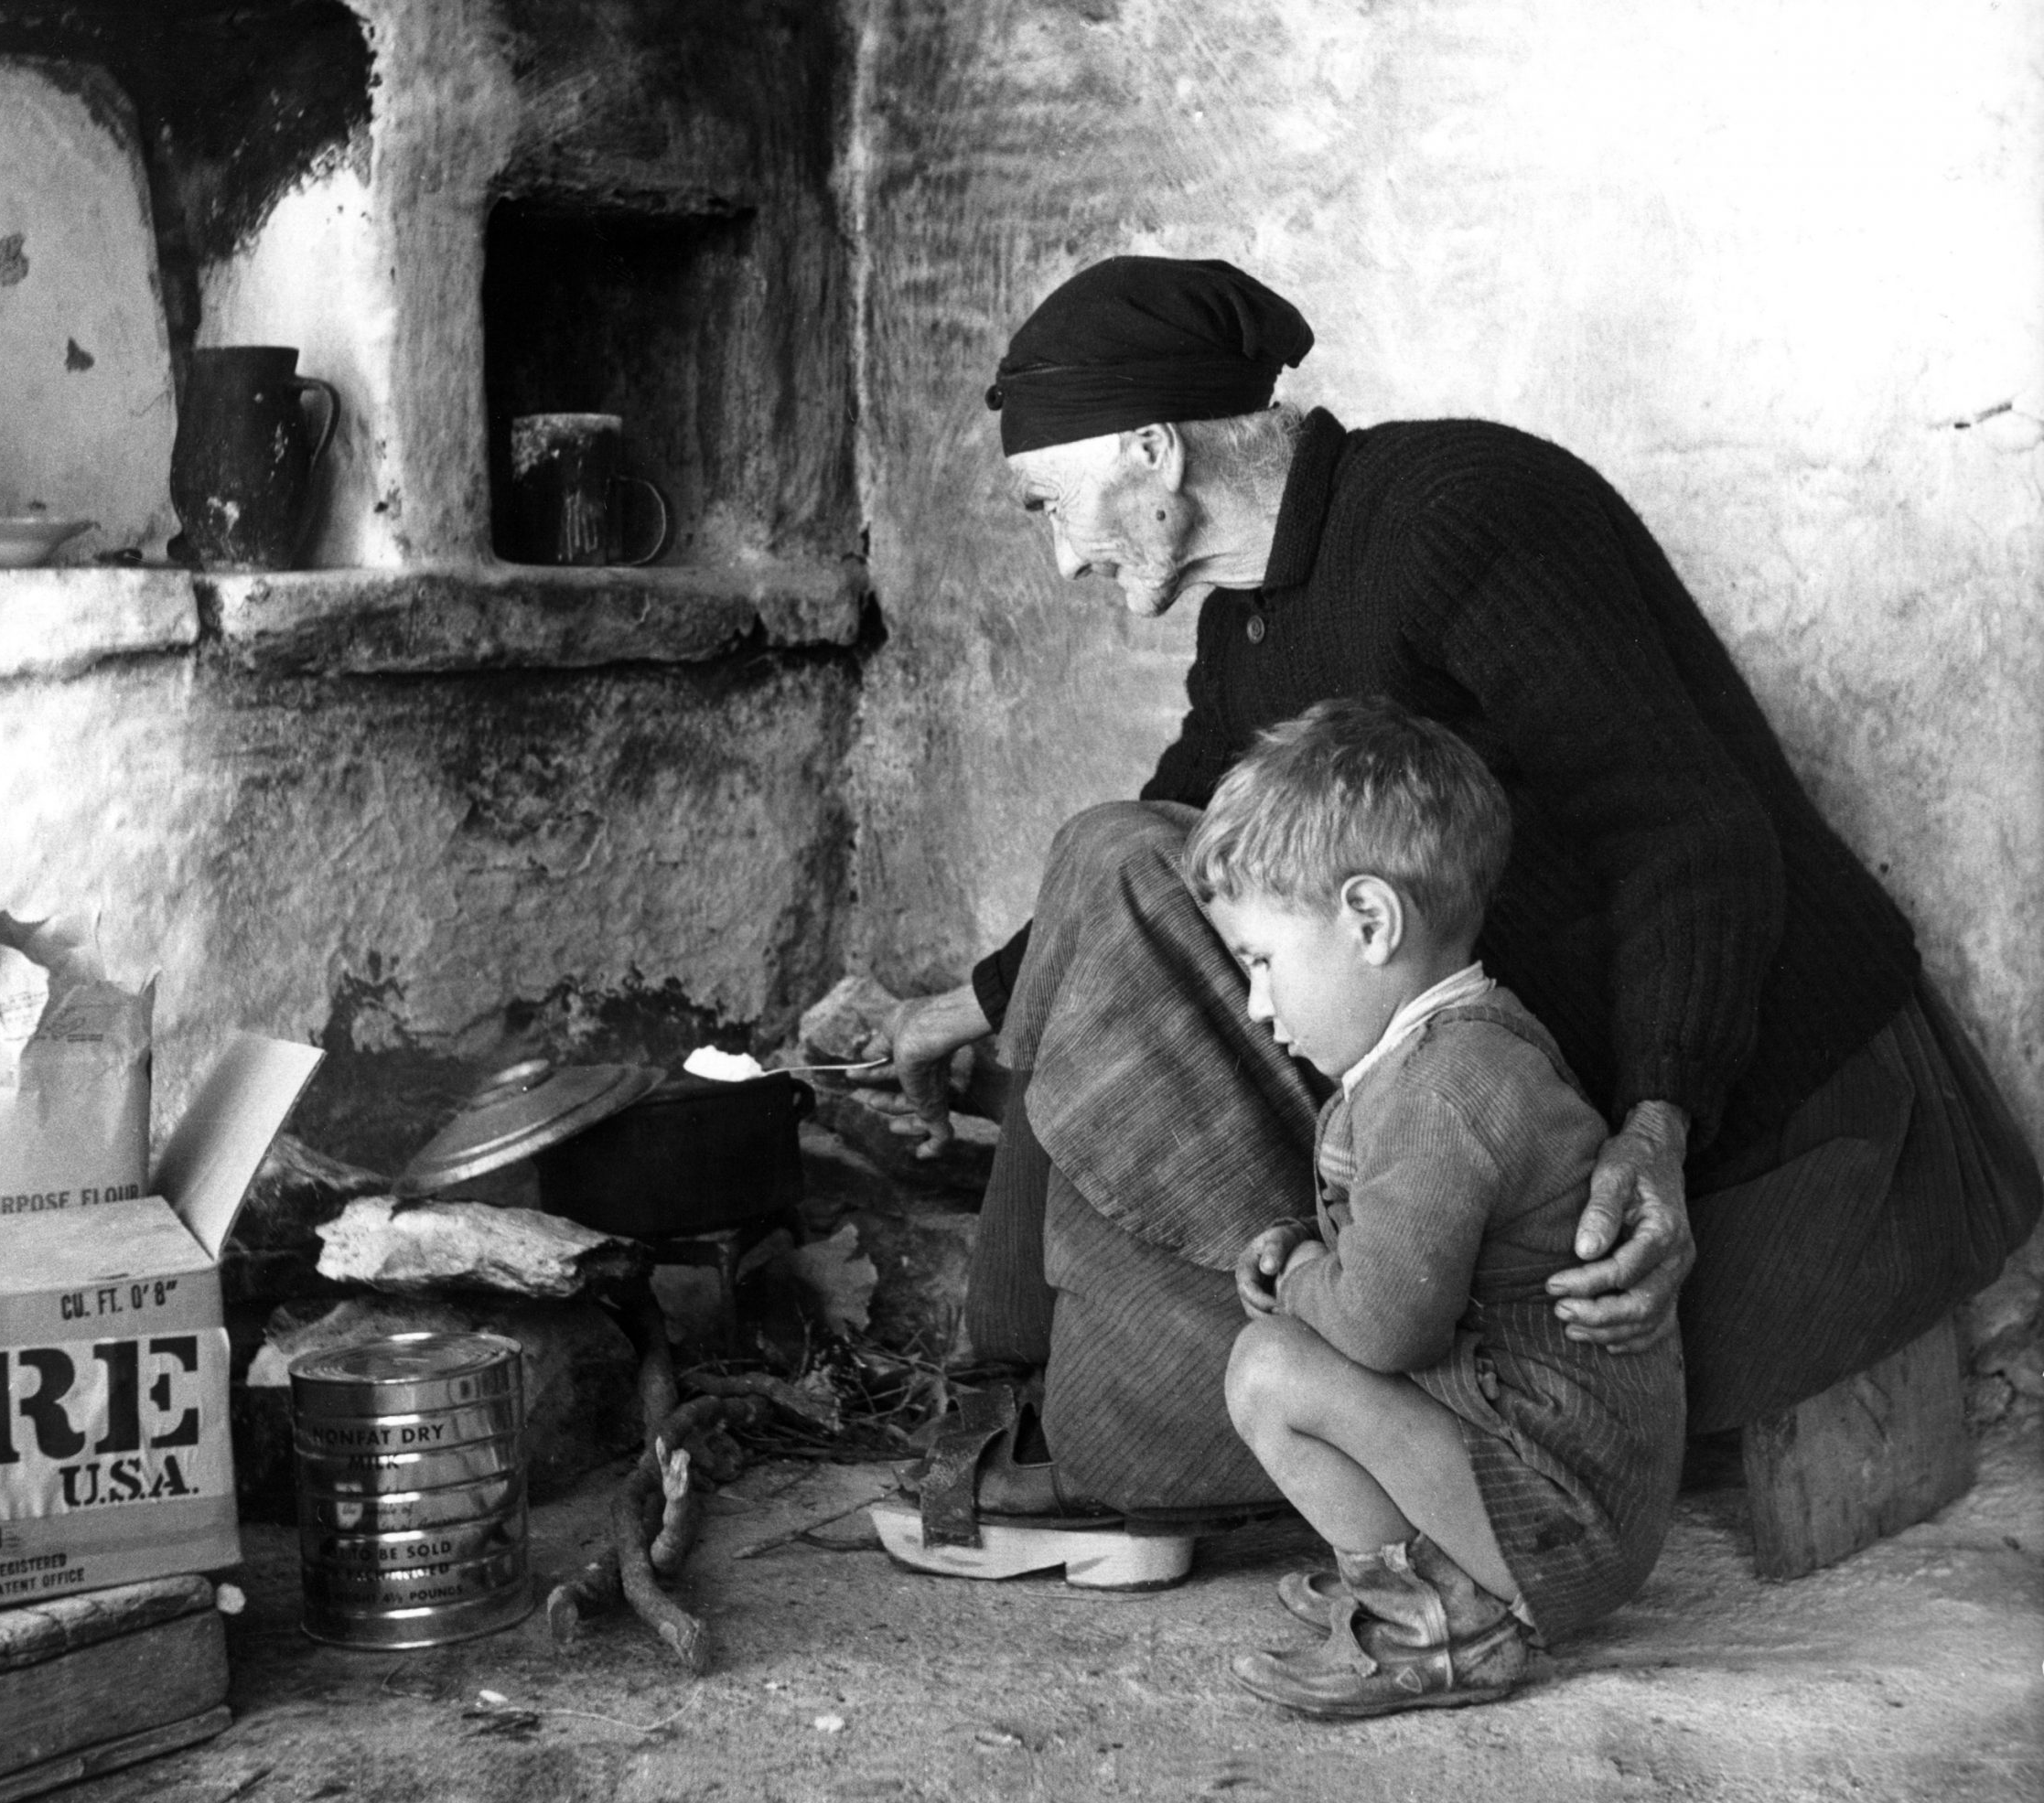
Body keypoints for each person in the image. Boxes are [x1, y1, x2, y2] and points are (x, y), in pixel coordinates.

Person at [863, 255, 2036, 1558]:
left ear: (1151, 451)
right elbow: (1177, 828)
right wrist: (959, 1007)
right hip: (1515, 1056)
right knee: (1118, 857)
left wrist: (1659, 1121)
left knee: (1128, 872)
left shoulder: (1463, 514)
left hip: (1766, 1086)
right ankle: (1044, 1394)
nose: (1058, 554)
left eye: (1046, 504)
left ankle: (1112, 1441)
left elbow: (1689, 827)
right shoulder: (1251, 622)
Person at [1192, 697, 1683, 1716]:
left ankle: (1445, 1623)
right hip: (1560, 1489)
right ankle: (1426, 1577)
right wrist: (1306, 1246)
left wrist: (1295, 1277)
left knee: (1269, 1368)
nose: (1257, 1006)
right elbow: (1405, 1250)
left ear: (1370, 922)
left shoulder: (1444, 1090)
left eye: (1261, 961)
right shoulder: (1445, 1052)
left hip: (1563, 1518)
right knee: (1290, 1346)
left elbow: (1382, 1323)